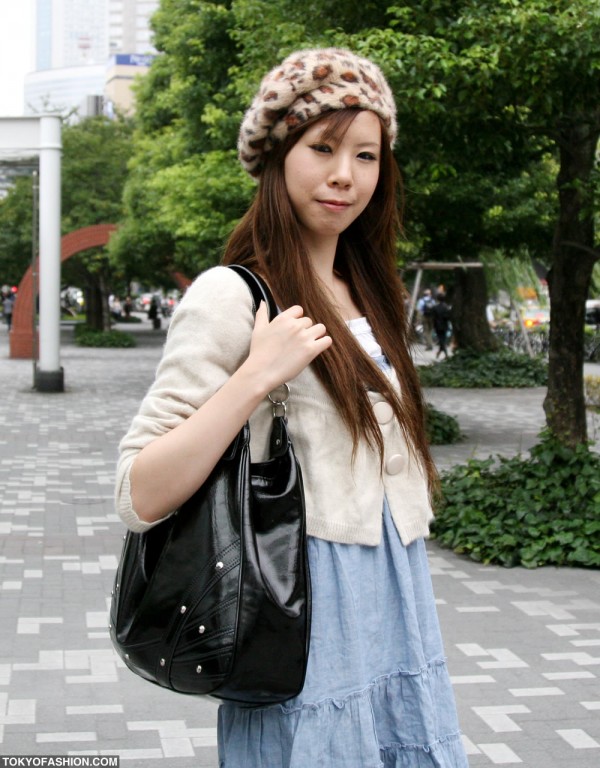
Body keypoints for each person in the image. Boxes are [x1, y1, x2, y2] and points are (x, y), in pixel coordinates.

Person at [115, 48, 468, 767]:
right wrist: (253, 377)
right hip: (302, 601)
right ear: (278, 157)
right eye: (324, 148)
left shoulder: (368, 293)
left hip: (393, 595)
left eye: (367, 155)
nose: (346, 175)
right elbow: (137, 491)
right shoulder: (230, 295)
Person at [432, 292, 452, 359]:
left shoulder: (435, 307)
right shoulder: (446, 307)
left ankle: (443, 353)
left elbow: (434, 317)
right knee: (442, 339)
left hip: (437, 325)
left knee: (441, 339)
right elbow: (448, 317)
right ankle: (442, 353)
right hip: (445, 325)